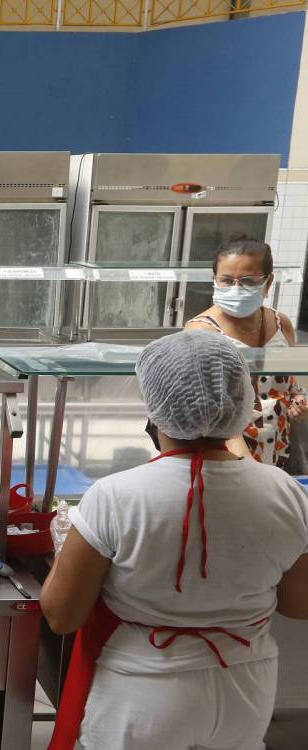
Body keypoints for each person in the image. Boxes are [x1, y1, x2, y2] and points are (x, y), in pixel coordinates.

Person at [40, 330, 308, 750]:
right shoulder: (285, 491)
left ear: (155, 407)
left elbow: (62, 615)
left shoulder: (115, 495)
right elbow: (299, 603)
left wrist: (65, 552)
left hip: (144, 687)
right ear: (240, 401)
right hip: (244, 686)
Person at [184, 238, 305, 469]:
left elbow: (289, 386)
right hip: (226, 456)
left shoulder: (281, 324)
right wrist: (247, 467)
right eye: (227, 281)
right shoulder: (201, 332)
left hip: (278, 449)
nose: (236, 288)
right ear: (214, 281)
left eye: (248, 281)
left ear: (268, 283)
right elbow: (206, 409)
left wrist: (298, 402)